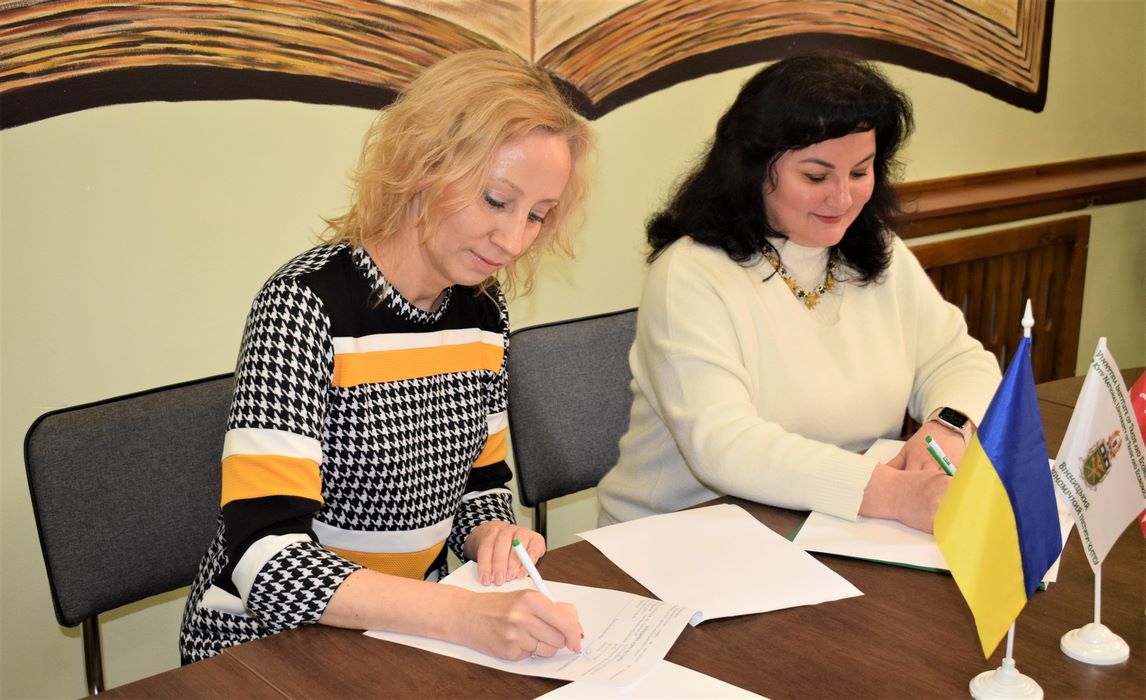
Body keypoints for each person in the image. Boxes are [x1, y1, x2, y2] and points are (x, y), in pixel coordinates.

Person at [180, 48, 594, 664]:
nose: (513, 240)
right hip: (263, 647)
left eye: (537, 215)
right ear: (423, 165)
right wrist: (466, 616)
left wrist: (492, 534)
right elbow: (264, 559)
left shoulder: (482, 311)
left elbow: (479, 485)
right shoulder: (305, 304)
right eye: (495, 200)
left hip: (399, 635)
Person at [596, 53, 1001, 534]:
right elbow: (725, 445)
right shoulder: (690, 273)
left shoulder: (875, 251)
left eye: (860, 172)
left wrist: (948, 426)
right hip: (676, 538)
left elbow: (957, 359)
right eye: (815, 177)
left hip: (831, 528)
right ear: (753, 167)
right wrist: (893, 493)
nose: (843, 198)